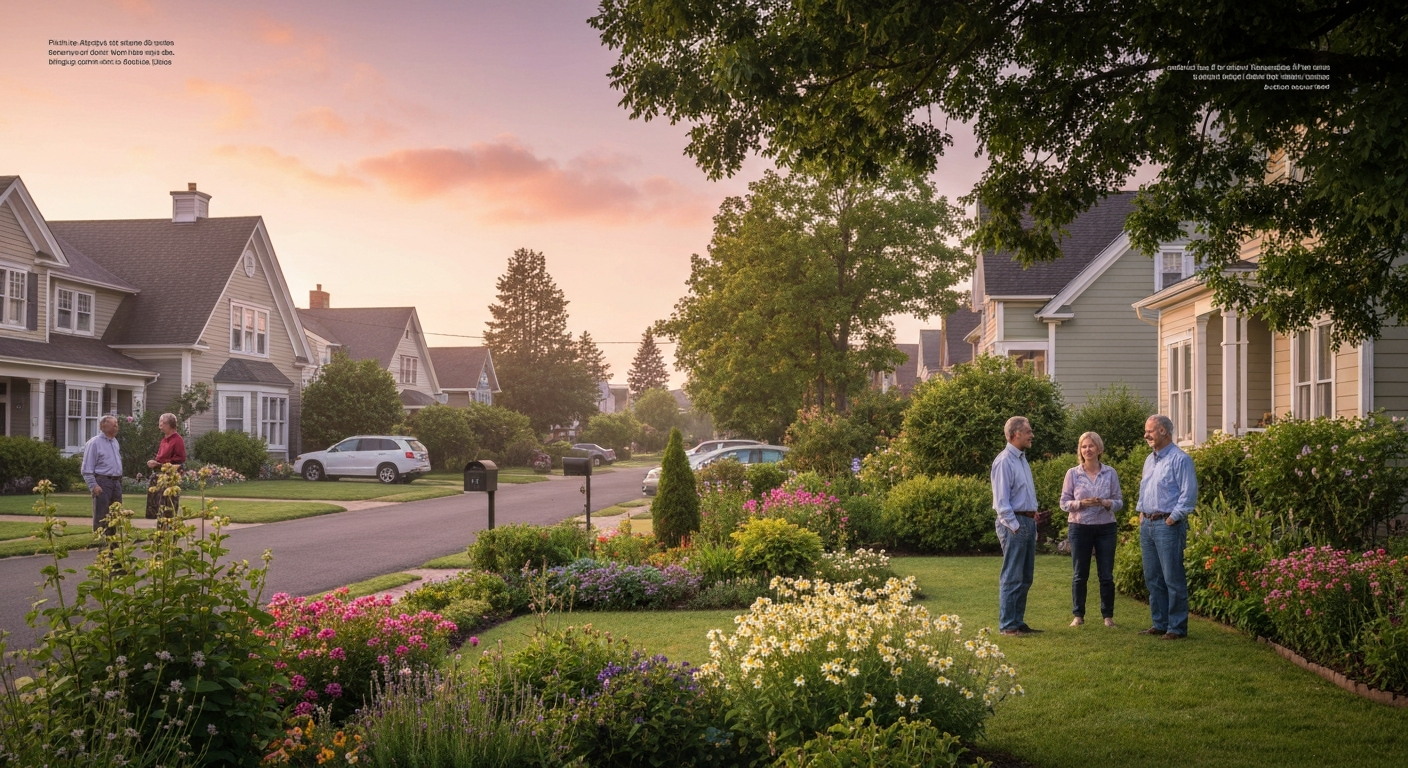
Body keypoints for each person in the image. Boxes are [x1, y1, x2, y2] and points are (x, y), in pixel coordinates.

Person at [1136, 414, 1198, 640]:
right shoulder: (1149, 460)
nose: (1146, 435)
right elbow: (1145, 490)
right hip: (1148, 525)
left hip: (1167, 525)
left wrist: (1173, 518)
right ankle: (1160, 623)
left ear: (1163, 431)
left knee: (1173, 578)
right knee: (1153, 578)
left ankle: (1177, 627)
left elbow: (1188, 495)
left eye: (1150, 431)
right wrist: (1141, 513)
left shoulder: (1181, 460)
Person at [1060, 432, 1123, 628]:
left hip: (1106, 528)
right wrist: (1080, 503)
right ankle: (1078, 615)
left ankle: (1108, 616)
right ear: (1080, 450)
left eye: (1091, 446)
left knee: (1106, 575)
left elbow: (1119, 502)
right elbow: (1064, 503)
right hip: (1080, 528)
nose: (1087, 450)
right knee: (1080, 574)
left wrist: (1106, 503)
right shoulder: (1073, 474)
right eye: (1084, 446)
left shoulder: (1110, 473)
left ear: (1099, 449)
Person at [992, 415, 1040, 637]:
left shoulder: (1021, 459)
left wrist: (1033, 517)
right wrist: (1015, 526)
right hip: (1015, 524)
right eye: (1028, 431)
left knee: (1025, 576)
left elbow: (1021, 494)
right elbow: (1002, 502)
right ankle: (1008, 625)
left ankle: (1017, 622)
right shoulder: (1004, 461)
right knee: (1012, 575)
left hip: (1027, 521)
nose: (1032, 434)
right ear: (1016, 434)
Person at [81, 415, 124, 536]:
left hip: (116, 482)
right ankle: (101, 543)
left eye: (117, 424)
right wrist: (93, 485)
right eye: (113, 424)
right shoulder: (94, 443)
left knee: (115, 514)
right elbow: (86, 468)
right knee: (102, 514)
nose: (116, 427)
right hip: (102, 482)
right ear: (103, 426)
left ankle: (113, 543)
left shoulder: (115, 442)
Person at [145, 412, 186, 521]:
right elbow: (161, 458)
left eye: (162, 423)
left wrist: (159, 464)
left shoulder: (177, 440)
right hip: (159, 476)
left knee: (167, 509)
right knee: (158, 507)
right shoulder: (164, 440)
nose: (160, 426)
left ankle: (167, 533)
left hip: (169, 479)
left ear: (169, 425)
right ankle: (160, 533)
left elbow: (179, 461)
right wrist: (155, 463)